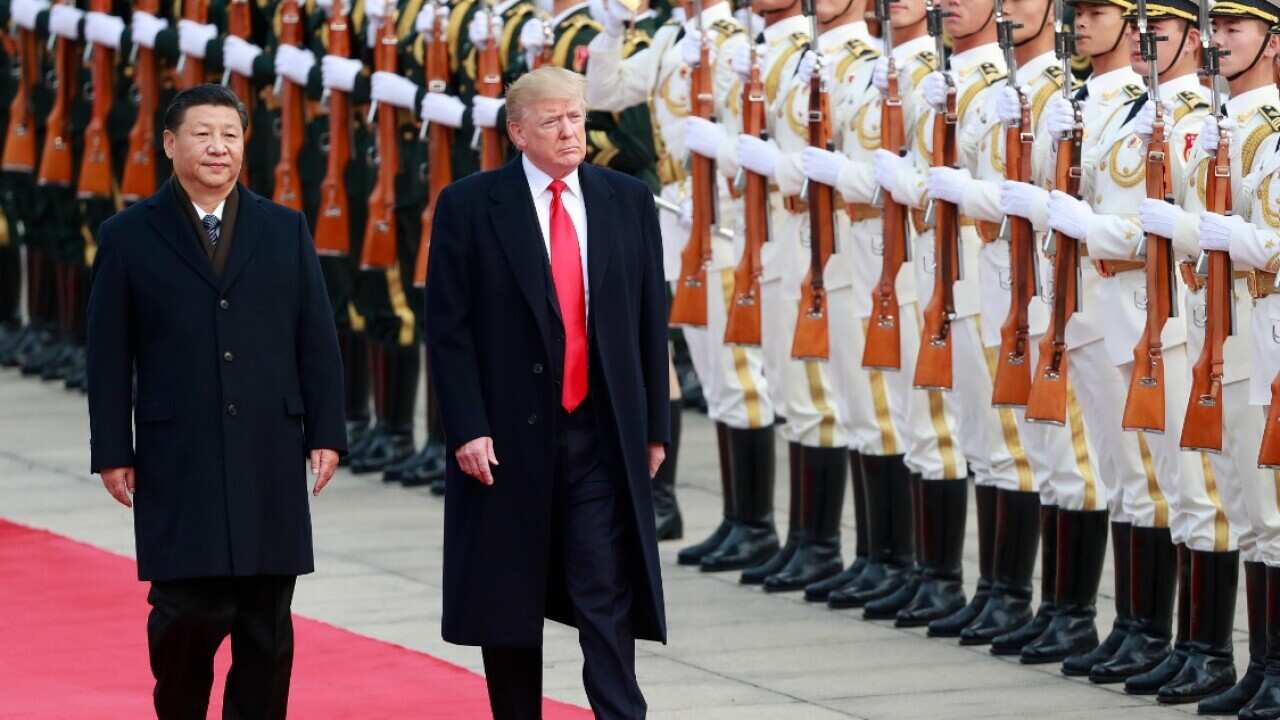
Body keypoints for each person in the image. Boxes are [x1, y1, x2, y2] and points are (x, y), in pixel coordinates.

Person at [85, 84, 347, 719]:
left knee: (266, 622)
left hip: (267, 447)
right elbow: (109, 354)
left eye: (230, 135)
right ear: (170, 143)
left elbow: (317, 338)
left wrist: (327, 432)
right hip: (180, 451)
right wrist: (113, 450)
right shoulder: (128, 235)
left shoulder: (283, 229)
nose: (217, 147)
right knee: (186, 616)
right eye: (203, 134)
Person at [425, 66, 669, 720]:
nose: (571, 132)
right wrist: (467, 427)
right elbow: (447, 331)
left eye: (577, 117)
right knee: (510, 599)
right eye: (555, 119)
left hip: (598, 431)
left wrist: (654, 428)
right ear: (518, 130)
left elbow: (650, 318)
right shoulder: (471, 205)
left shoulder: (624, 199)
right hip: (505, 440)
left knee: (605, 591)